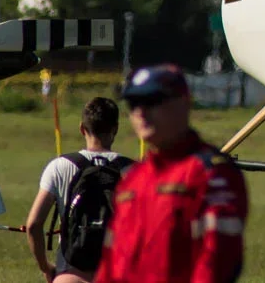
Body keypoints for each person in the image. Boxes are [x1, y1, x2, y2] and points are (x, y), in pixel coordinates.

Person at [93, 64, 249, 283]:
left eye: (152, 101)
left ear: (183, 103)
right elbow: (111, 262)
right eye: (134, 103)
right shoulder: (133, 178)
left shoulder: (211, 173)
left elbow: (218, 259)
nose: (141, 112)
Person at [26, 97, 133, 283]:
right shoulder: (134, 171)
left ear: (82, 128)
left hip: (71, 272)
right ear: (115, 129)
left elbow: (34, 225)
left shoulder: (59, 166)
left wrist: (45, 267)